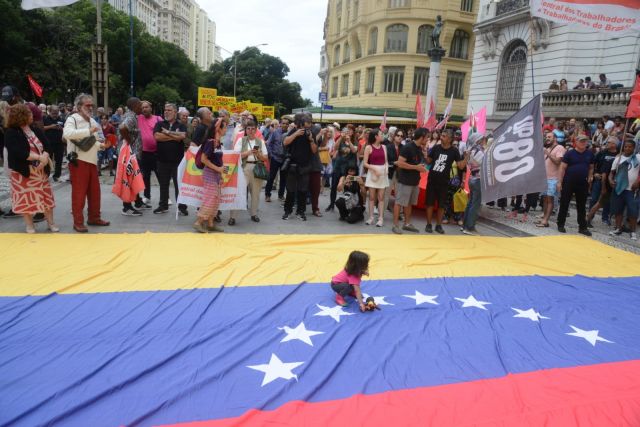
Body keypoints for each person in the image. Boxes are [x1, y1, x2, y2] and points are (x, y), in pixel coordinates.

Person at [4, 104, 57, 233]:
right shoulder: (11, 132)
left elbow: (47, 145)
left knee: (46, 198)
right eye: (29, 113)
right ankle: (29, 225)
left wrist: (44, 157)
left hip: (40, 171)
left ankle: (51, 223)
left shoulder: (35, 129)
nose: (32, 116)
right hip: (23, 172)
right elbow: (17, 152)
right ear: (21, 116)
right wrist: (39, 157)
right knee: (25, 199)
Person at [62, 94, 110, 232]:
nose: (90, 108)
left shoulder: (92, 121)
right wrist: (88, 131)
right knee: (79, 193)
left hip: (92, 161)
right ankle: (78, 222)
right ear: (79, 107)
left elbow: (93, 141)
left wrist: (102, 146)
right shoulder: (72, 119)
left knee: (95, 192)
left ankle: (94, 217)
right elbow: (67, 134)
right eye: (87, 105)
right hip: (78, 160)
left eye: (91, 105)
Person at [424, 129, 467, 234]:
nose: (441, 137)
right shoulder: (436, 147)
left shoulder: (454, 151)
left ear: (450, 139)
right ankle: (428, 224)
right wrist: (425, 153)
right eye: (441, 135)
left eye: (443, 136)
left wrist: (466, 157)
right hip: (432, 180)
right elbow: (429, 161)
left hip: (444, 182)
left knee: (441, 205)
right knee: (429, 203)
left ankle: (438, 225)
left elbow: (461, 166)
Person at [229, 120, 268, 224]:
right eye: (248, 128)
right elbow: (235, 156)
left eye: (253, 129)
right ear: (245, 130)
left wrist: (258, 154)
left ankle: (254, 214)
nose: (250, 131)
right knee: (239, 192)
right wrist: (249, 152)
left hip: (257, 168)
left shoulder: (260, 142)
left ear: (256, 130)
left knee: (255, 193)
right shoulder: (241, 140)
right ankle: (232, 217)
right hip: (244, 168)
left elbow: (265, 158)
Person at [392, 127, 428, 235]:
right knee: (399, 202)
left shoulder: (419, 148)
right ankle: (395, 225)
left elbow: (416, 163)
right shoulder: (407, 147)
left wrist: (420, 166)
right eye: (427, 137)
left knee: (409, 203)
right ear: (421, 137)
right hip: (405, 181)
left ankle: (407, 224)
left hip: (415, 181)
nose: (427, 139)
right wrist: (416, 167)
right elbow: (400, 163)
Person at [193, 118, 227, 233]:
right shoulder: (210, 142)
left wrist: (220, 174)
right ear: (218, 129)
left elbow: (218, 161)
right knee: (210, 198)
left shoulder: (217, 142)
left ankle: (211, 224)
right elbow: (204, 159)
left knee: (216, 199)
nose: (226, 129)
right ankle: (198, 222)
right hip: (209, 174)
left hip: (216, 174)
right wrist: (218, 169)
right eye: (225, 127)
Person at [152, 103, 187, 215]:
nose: (166, 112)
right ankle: (163, 206)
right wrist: (174, 136)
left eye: (169, 110)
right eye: (165, 110)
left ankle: (181, 207)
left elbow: (182, 136)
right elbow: (157, 137)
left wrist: (167, 134)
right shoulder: (159, 124)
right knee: (163, 184)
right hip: (162, 159)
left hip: (177, 160)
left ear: (175, 112)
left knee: (179, 184)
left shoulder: (181, 125)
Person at [556, 135, 594, 235]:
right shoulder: (569, 153)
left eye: (585, 141)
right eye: (581, 141)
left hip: (582, 183)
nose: (583, 143)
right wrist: (559, 182)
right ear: (576, 142)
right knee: (564, 203)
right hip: (568, 182)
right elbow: (562, 168)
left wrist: (590, 176)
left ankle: (582, 227)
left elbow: (591, 167)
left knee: (582, 206)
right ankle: (560, 224)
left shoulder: (590, 154)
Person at [282, 112, 317, 221]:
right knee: (290, 190)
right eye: (307, 123)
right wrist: (296, 134)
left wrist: (311, 140)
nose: (309, 125)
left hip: (305, 166)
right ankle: (287, 211)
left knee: (303, 191)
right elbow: (285, 142)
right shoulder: (294, 131)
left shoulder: (311, 134)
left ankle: (301, 212)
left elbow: (314, 150)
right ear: (301, 123)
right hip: (292, 165)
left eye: (310, 123)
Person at [609, 140, 639, 240]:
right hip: (619, 188)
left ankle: (633, 231)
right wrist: (610, 180)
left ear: (634, 148)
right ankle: (618, 228)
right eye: (626, 146)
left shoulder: (638, 158)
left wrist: (638, 181)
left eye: (630, 147)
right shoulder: (618, 159)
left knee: (633, 211)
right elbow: (611, 173)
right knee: (618, 210)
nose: (627, 148)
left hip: (632, 189)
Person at [119, 97, 145, 216]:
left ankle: (138, 202)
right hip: (130, 154)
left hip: (132, 154)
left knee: (134, 178)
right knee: (129, 179)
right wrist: (128, 140)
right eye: (140, 105)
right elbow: (122, 128)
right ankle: (127, 207)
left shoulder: (131, 115)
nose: (141, 108)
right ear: (135, 106)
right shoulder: (130, 117)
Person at [536, 131, 566, 228]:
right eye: (546, 137)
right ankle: (544, 219)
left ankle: (545, 220)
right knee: (545, 199)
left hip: (553, 178)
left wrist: (547, 153)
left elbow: (558, 162)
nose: (547, 138)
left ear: (555, 138)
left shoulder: (560, 148)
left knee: (550, 200)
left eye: (549, 137)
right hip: (545, 178)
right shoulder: (547, 148)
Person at [587, 136, 618, 227]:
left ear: (614, 144)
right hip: (599, 179)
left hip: (611, 182)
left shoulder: (619, 154)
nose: (606, 144)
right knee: (594, 199)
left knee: (608, 201)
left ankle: (605, 218)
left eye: (608, 142)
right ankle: (590, 217)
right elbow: (593, 163)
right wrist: (594, 173)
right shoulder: (601, 152)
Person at [363, 128, 389, 227]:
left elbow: (386, 161)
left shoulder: (384, 147)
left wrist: (386, 169)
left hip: (382, 173)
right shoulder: (368, 147)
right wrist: (374, 168)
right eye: (381, 134)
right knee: (371, 197)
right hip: (372, 173)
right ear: (376, 136)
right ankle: (371, 217)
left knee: (381, 198)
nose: (383, 136)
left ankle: (380, 218)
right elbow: (365, 163)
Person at [327, 127, 357, 211]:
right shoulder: (340, 140)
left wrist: (349, 141)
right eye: (346, 132)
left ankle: (347, 205)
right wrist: (341, 137)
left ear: (352, 133)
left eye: (349, 132)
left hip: (348, 169)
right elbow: (335, 148)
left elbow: (354, 151)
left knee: (347, 187)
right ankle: (331, 204)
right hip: (338, 166)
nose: (347, 133)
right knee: (334, 186)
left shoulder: (354, 141)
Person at [138, 101, 162, 206]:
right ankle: (147, 196)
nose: (144, 109)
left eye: (146, 107)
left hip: (157, 152)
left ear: (151, 108)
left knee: (160, 175)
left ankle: (165, 197)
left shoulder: (158, 119)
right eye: (142, 107)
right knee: (145, 176)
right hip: (144, 152)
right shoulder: (138, 118)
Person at [461, 133, 486, 235]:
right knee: (475, 204)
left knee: (470, 203)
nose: (484, 141)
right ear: (478, 140)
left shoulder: (469, 150)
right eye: (482, 139)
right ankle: (470, 227)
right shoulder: (478, 151)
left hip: (472, 178)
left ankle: (465, 225)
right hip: (478, 179)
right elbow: (484, 162)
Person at [265, 117, 288, 203]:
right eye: (283, 123)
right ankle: (267, 195)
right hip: (275, 158)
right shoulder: (275, 132)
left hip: (285, 159)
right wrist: (271, 155)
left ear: (288, 125)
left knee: (283, 178)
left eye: (286, 124)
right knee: (271, 177)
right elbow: (269, 144)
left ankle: (281, 195)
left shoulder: (290, 133)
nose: (285, 125)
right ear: (280, 124)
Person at [42, 105, 65, 181]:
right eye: (53, 113)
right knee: (48, 160)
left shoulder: (61, 119)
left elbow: (66, 129)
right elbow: (41, 128)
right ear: (49, 111)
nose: (55, 115)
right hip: (48, 143)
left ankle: (57, 175)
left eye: (56, 113)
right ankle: (46, 175)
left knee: (59, 160)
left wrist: (61, 128)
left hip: (59, 143)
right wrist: (51, 126)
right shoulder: (45, 119)